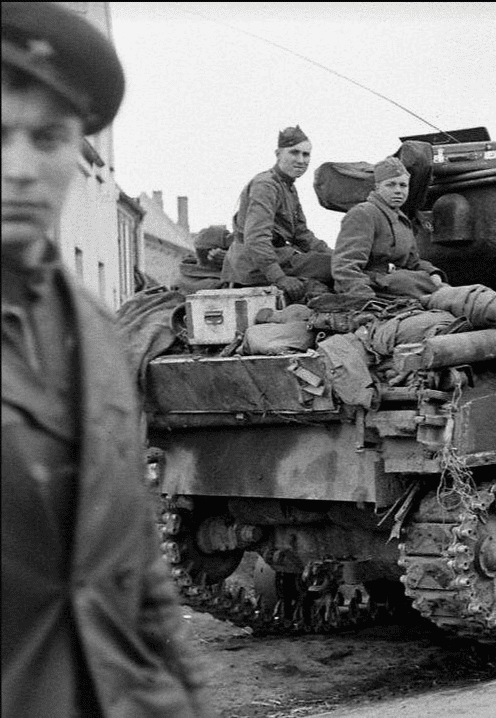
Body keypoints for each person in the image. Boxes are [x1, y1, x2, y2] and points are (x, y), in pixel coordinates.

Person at [1, 3, 214, 716]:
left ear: (79, 153)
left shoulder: (96, 329)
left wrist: (184, 700)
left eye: (49, 138)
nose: (21, 169)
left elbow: (138, 566)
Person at [220, 125, 333, 304]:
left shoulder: (287, 186)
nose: (301, 160)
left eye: (306, 155)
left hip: (276, 256)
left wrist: (338, 255)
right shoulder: (266, 185)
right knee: (333, 269)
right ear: (278, 154)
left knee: (336, 264)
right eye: (294, 153)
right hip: (254, 265)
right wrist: (279, 277)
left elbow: (301, 234)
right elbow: (256, 238)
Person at [331, 156, 446, 308]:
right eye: (391, 185)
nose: (398, 191)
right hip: (376, 288)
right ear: (377, 187)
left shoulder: (402, 220)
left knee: (445, 291)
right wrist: (365, 298)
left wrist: (432, 272)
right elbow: (345, 266)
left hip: (400, 283)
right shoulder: (364, 213)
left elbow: (413, 262)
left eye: (403, 185)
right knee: (439, 297)